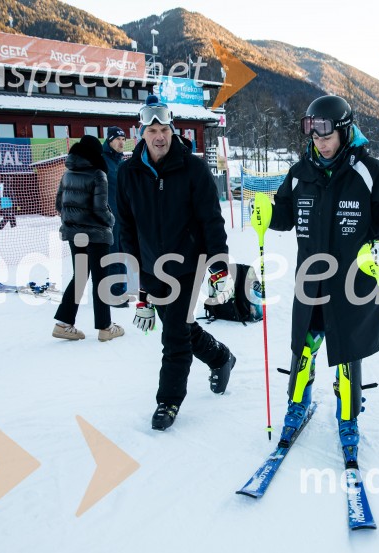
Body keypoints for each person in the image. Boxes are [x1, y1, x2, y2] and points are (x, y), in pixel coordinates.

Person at [261, 95, 379, 468]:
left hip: (352, 282)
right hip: (311, 280)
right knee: (304, 349)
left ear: (343, 130)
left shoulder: (370, 171)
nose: (319, 141)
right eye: (312, 133)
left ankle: (348, 418)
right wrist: (265, 214)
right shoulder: (299, 173)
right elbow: (283, 215)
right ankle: (297, 405)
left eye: (326, 134)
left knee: (346, 354)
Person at [117, 95, 236, 431]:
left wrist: (219, 264)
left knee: (174, 336)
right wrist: (140, 283)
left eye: (165, 129)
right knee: (179, 328)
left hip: (189, 264)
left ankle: (168, 401)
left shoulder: (193, 167)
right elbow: (126, 226)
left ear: (173, 130)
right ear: (141, 133)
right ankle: (220, 357)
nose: (160, 136)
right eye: (152, 129)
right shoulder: (128, 173)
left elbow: (211, 219)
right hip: (153, 267)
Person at [53, 135, 125, 342]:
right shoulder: (98, 174)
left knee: (80, 275)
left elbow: (60, 205)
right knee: (101, 279)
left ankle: (63, 323)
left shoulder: (67, 174)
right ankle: (105, 327)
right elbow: (101, 209)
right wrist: (111, 220)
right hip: (96, 235)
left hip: (74, 234)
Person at [102, 125, 130, 308]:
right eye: (117, 139)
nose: (121, 142)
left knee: (123, 253)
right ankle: (114, 293)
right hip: (107, 217)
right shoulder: (102, 160)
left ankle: (121, 289)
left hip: (122, 216)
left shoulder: (121, 162)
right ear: (109, 141)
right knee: (113, 254)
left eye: (123, 139)